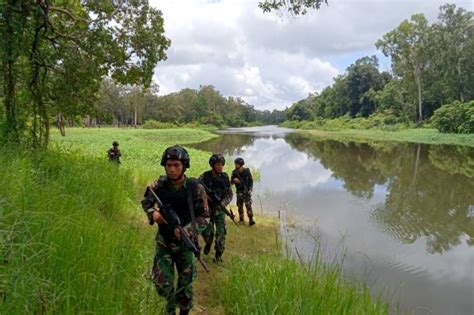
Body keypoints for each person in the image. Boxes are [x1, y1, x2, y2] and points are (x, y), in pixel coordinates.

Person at [141, 145, 209, 315]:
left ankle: (184, 311)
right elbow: (146, 202)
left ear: (184, 166)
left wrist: (188, 230)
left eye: (176, 165)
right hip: (164, 241)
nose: (172, 169)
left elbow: (205, 216)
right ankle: (170, 309)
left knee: (185, 286)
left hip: (185, 245)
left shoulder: (195, 188)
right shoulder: (160, 184)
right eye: (169, 165)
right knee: (163, 283)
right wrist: (153, 213)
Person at [199, 154, 233, 263]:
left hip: (220, 210)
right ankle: (208, 243)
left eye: (222, 165)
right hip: (207, 211)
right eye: (218, 164)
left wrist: (223, 203)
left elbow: (230, 194)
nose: (220, 167)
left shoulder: (225, 177)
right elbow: (197, 189)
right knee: (208, 234)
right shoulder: (204, 176)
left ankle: (218, 256)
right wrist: (205, 200)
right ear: (212, 165)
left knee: (221, 234)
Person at [231, 157, 255, 226]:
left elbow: (251, 181)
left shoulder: (247, 171)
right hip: (239, 192)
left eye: (236, 164)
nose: (235, 165)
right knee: (240, 206)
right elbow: (231, 182)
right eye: (235, 164)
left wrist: (250, 189)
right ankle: (241, 220)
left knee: (248, 206)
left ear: (240, 164)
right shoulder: (234, 173)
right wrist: (234, 180)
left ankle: (251, 220)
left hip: (246, 192)